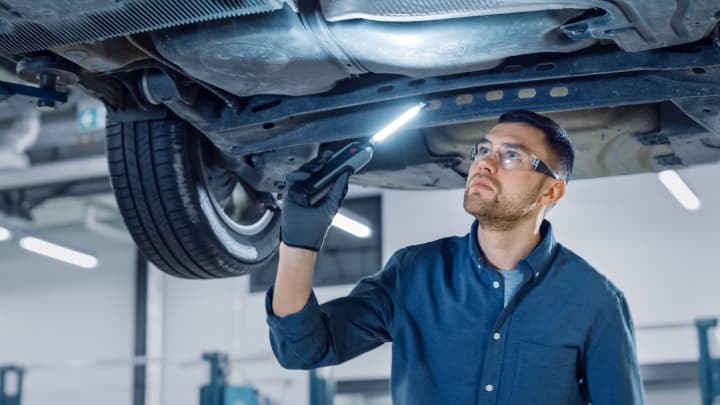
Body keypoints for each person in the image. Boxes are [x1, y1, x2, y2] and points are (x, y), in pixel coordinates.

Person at [265, 110, 645, 404]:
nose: (485, 163)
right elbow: (305, 349)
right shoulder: (414, 274)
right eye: (482, 149)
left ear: (551, 192)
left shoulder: (595, 302)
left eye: (511, 156)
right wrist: (299, 243)